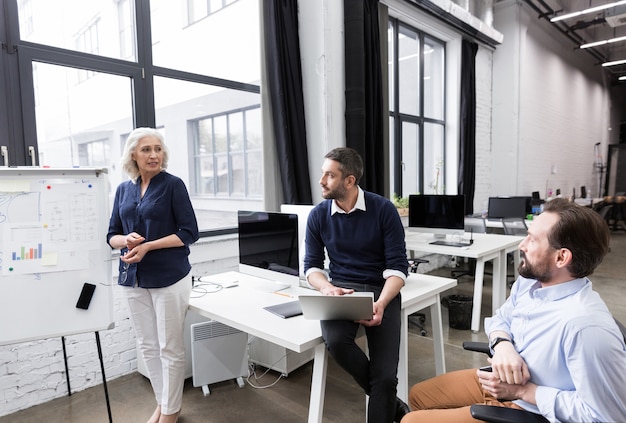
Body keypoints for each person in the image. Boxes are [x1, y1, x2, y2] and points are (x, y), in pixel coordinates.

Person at [402, 198, 626, 423]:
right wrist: (503, 346)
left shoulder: (586, 327)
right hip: (502, 384)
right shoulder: (531, 282)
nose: (522, 245)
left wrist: (524, 392)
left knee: (409, 421)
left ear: (561, 257)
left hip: (531, 409)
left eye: (532, 239)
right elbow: (501, 318)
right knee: (418, 395)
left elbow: (607, 416)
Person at [304, 147, 410, 423]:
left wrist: (382, 303)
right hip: (340, 289)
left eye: (330, 175)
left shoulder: (383, 209)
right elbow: (312, 268)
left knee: (386, 376)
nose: (321, 181)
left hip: (381, 289)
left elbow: (398, 268)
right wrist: (326, 288)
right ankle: (392, 405)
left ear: (349, 181)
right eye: (323, 173)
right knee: (337, 342)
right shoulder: (317, 216)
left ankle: (384, 395)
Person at [107, 127, 199, 423]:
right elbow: (111, 235)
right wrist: (126, 241)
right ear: (133, 154)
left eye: (158, 148)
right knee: (147, 345)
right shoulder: (123, 189)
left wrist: (148, 246)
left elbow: (189, 232)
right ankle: (163, 403)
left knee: (169, 347)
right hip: (133, 277)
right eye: (146, 149)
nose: (154, 154)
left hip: (170, 277)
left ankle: (170, 414)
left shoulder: (173, 185)